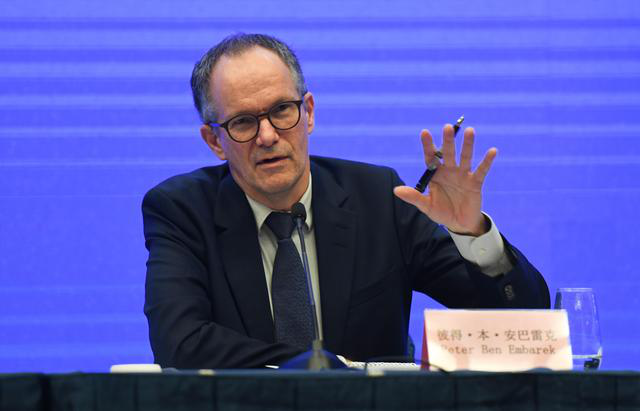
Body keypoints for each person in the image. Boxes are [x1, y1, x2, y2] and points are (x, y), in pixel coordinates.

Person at [142, 33, 549, 369]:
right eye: (243, 122)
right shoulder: (182, 210)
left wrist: (471, 233)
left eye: (282, 110)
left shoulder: (379, 200)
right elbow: (180, 344)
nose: (267, 136)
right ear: (214, 140)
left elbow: (525, 323)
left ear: (309, 112)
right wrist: (322, 367)